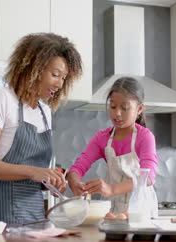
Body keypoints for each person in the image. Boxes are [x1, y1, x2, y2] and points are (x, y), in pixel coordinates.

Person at [0, 33, 83, 224]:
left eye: (64, 78)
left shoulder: (44, 111)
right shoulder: (3, 98)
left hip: (36, 215)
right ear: (33, 68)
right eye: (55, 75)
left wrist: (49, 181)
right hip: (3, 216)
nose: (59, 84)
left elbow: (31, 175)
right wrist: (34, 172)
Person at [66, 77, 158, 216]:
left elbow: (148, 177)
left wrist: (111, 189)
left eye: (125, 108)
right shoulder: (102, 138)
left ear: (139, 109)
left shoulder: (145, 137)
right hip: (112, 211)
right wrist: (74, 182)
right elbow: (79, 166)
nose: (117, 113)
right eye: (113, 106)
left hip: (140, 212)